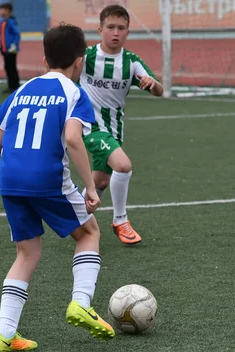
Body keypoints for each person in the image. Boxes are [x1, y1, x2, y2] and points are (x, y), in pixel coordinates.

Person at [0, 23, 115, 352]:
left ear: (44, 59)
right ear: (79, 60)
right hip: (45, 180)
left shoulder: (23, 89)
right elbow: (73, 139)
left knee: (27, 253)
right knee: (89, 233)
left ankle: (3, 335)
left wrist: (17, 166)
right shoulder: (73, 92)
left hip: (9, 180)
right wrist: (90, 186)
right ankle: (81, 303)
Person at [80, 4, 163, 245]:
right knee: (124, 166)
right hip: (89, 127)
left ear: (128, 32)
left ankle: (73, 216)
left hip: (114, 131)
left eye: (121, 28)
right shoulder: (86, 57)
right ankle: (120, 220)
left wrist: (151, 83)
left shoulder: (132, 62)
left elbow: (159, 90)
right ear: (100, 29)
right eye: (111, 27)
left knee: (100, 182)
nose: (115, 33)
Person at [0, 2, 21, 94]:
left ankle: (15, 86)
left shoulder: (11, 21)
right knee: (7, 67)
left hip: (11, 50)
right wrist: (1, 45)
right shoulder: (3, 22)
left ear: (7, 11)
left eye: (2, 9)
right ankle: (11, 86)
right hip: (5, 49)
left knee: (12, 68)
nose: (0, 11)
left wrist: (14, 45)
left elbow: (17, 34)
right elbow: (3, 36)